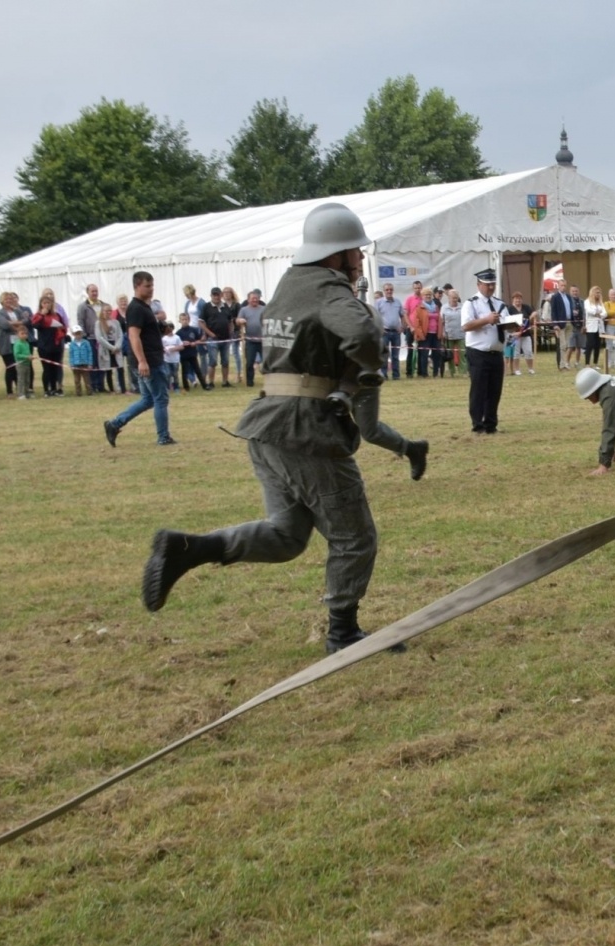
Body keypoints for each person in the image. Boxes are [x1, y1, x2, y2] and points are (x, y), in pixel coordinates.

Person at [140, 203, 421, 654]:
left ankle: (189, 549)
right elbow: (363, 336)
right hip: (305, 430)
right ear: (337, 256)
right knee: (355, 537)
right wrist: (364, 371)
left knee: (287, 535)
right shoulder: (329, 288)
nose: (359, 261)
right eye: (355, 253)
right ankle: (343, 633)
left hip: (266, 424)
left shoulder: (290, 285)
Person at [103, 272, 175, 446]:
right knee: (160, 399)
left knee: (148, 399)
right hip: (149, 362)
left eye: (152, 285)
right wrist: (142, 361)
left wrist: (161, 330)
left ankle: (115, 424)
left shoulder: (145, 307)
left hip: (149, 359)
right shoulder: (136, 308)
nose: (151, 289)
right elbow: (134, 336)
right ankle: (163, 437)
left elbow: (147, 332)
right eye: (147, 286)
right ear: (137, 286)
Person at [461, 267, 510, 434]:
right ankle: (478, 425)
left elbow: (505, 324)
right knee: (479, 391)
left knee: (494, 391)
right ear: (478, 285)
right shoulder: (471, 303)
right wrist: (487, 320)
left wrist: (513, 326)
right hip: (478, 353)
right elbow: (466, 326)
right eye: (487, 284)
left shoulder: (500, 304)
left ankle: (491, 424)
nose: (490, 287)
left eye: (493, 284)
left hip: (496, 353)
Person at [202, 288, 236, 386]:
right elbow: (201, 322)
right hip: (212, 339)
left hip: (225, 339)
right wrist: (210, 333)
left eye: (218, 295)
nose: (216, 297)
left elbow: (230, 321)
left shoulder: (225, 306)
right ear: (211, 296)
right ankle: (211, 382)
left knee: (225, 361)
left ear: (221, 295)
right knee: (212, 361)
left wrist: (230, 332)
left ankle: (225, 382)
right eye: (214, 295)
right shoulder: (206, 307)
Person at [374, 282, 407, 380]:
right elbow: (375, 316)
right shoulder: (379, 302)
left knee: (395, 355)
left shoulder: (397, 302)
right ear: (384, 291)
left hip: (396, 333)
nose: (389, 291)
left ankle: (396, 375)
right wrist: (379, 328)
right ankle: (384, 375)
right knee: (384, 355)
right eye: (387, 290)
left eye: (391, 290)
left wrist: (403, 326)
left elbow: (402, 315)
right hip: (385, 333)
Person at [237, 289, 264, 385]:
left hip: (262, 340)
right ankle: (249, 382)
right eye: (253, 298)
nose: (255, 300)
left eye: (256, 298)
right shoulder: (244, 310)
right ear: (248, 300)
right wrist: (240, 320)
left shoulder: (263, 308)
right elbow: (237, 320)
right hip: (250, 340)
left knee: (266, 361)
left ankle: (269, 381)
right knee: (249, 362)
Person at [507, 290, 536, 375]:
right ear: (513, 300)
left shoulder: (526, 307)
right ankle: (517, 369)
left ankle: (530, 368)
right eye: (516, 299)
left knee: (529, 352)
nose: (518, 300)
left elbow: (534, 312)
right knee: (516, 353)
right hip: (515, 335)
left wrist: (532, 316)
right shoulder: (510, 309)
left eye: (519, 299)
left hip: (526, 334)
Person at [582, 285, 606, 367]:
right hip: (590, 326)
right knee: (590, 344)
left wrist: (599, 314)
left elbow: (605, 313)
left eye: (599, 293)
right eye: (597, 292)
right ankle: (587, 363)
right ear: (592, 293)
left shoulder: (600, 302)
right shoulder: (587, 301)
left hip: (599, 326)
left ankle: (595, 363)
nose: (598, 294)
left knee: (597, 345)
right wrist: (598, 312)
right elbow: (589, 311)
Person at [67, 324, 94, 396]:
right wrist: (71, 364)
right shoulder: (72, 344)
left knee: (87, 379)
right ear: (73, 334)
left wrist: (90, 363)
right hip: (76, 364)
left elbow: (90, 353)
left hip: (85, 364)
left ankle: (89, 392)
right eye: (76, 334)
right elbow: (71, 355)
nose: (78, 335)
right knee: (77, 380)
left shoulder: (86, 343)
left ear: (82, 333)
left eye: (79, 333)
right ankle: (78, 393)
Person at [11, 323, 35, 399]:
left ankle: (26, 392)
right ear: (18, 334)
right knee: (21, 379)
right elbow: (17, 355)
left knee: (27, 379)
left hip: (27, 364)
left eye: (25, 334)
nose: (24, 335)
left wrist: (30, 356)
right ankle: (20, 394)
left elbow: (28, 352)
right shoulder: (17, 344)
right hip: (20, 364)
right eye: (22, 334)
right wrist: (26, 357)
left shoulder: (27, 343)